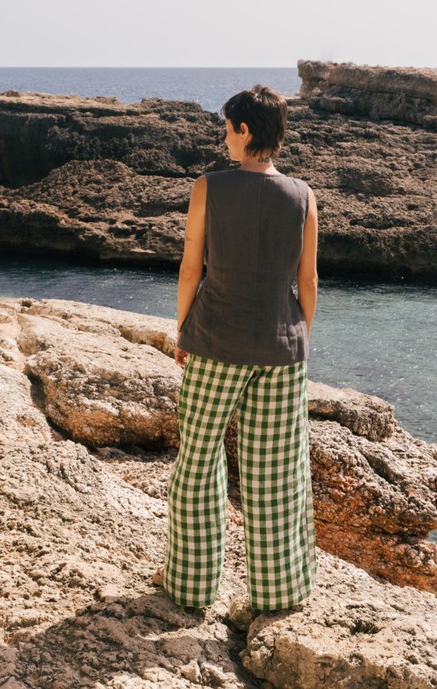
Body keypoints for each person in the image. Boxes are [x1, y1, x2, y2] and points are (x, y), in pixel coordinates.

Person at [154, 84, 318, 612]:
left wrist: (183, 329)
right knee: (276, 475)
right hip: (282, 347)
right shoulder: (304, 194)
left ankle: (190, 586)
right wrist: (299, 338)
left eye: (227, 128)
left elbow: (189, 268)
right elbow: (308, 281)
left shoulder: (210, 187)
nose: (225, 137)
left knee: (198, 467)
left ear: (245, 130)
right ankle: (279, 594)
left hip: (215, 342)